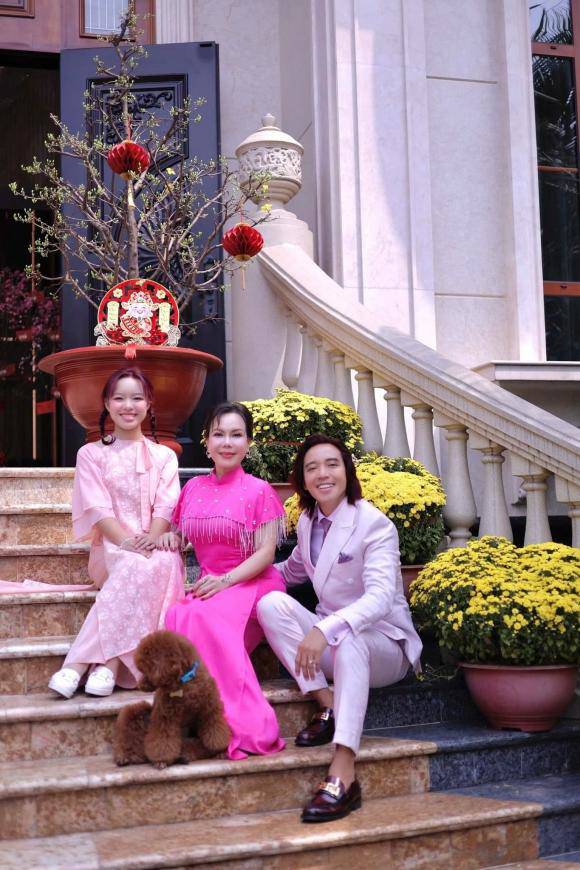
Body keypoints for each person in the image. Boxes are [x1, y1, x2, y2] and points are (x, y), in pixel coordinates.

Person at [257, 433, 422, 823]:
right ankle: (327, 704)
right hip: (333, 642)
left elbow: (381, 598)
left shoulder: (374, 524)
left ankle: (344, 770)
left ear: (347, 470)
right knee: (269, 604)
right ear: (302, 479)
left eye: (332, 464)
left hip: (383, 645)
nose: (323, 474)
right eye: (312, 468)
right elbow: (291, 572)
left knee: (349, 640)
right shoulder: (307, 522)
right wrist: (234, 578)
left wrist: (325, 629)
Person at [48, 367, 184, 699]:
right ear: (107, 404)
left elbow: (166, 505)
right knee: (136, 564)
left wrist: (151, 539)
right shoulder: (91, 454)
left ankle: (91, 666)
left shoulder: (164, 456)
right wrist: (127, 543)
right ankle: (101, 666)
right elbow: (98, 510)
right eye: (119, 398)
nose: (128, 406)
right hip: (111, 549)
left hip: (153, 544)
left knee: (163, 562)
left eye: (137, 398)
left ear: (149, 403)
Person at [162, 401, 287, 760]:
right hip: (210, 586)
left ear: (248, 443)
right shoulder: (193, 488)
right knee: (178, 615)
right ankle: (203, 714)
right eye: (219, 434)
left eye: (236, 435)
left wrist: (226, 580)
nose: (227, 443)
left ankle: (241, 723)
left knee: (200, 617)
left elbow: (266, 554)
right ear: (207, 441)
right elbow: (183, 534)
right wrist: (172, 538)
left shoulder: (259, 490)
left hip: (250, 583)